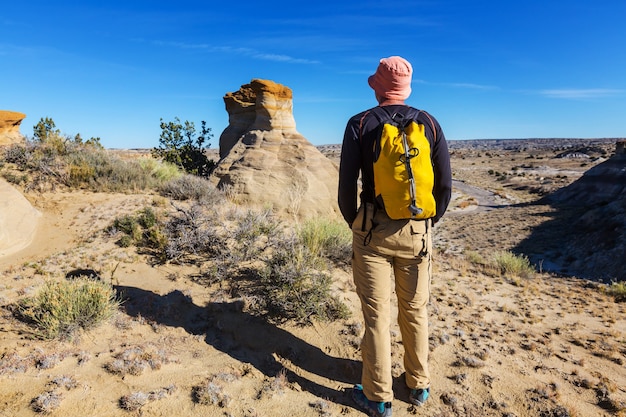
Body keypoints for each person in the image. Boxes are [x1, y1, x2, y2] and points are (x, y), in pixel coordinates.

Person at [338, 56, 452, 416]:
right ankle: (418, 386)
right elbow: (445, 186)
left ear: (377, 86)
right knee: (415, 312)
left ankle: (377, 397)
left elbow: (346, 190)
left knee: (376, 315)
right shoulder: (429, 123)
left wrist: (359, 223)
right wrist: (425, 225)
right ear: (407, 87)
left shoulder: (360, 124)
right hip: (417, 233)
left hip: (373, 231)